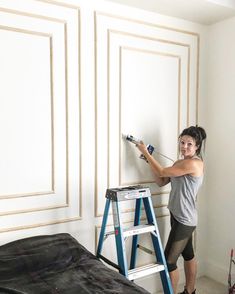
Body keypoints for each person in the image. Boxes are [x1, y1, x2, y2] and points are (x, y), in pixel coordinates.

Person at [135, 126, 207, 294]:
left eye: (190, 144)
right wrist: (149, 160)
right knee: (188, 255)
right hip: (176, 216)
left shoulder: (194, 163)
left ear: (197, 146)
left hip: (185, 220)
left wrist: (146, 153)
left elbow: (162, 170)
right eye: (182, 142)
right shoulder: (180, 163)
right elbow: (161, 180)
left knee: (168, 262)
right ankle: (190, 291)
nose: (185, 147)